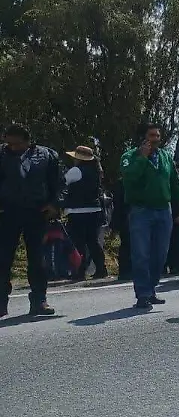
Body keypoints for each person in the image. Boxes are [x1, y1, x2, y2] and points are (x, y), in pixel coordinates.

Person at [121, 123, 179, 310]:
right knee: (141, 253)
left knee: (160, 254)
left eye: (158, 135)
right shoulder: (129, 156)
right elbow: (129, 176)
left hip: (163, 210)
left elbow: (174, 181)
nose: (156, 139)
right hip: (141, 210)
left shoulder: (165, 156)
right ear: (143, 137)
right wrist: (142, 158)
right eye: (152, 135)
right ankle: (143, 293)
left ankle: (151, 289)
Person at [0, 124, 62, 317]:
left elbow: (60, 182)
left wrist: (55, 204)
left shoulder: (47, 156)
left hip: (36, 212)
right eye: (8, 143)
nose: (12, 147)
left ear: (28, 141)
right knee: (2, 258)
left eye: (16, 144)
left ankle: (39, 301)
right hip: (6, 212)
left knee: (37, 258)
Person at [62, 145, 107, 281]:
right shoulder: (96, 171)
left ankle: (79, 271)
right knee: (93, 242)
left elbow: (63, 182)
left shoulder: (75, 171)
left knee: (78, 243)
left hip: (77, 211)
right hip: (94, 210)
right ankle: (101, 269)